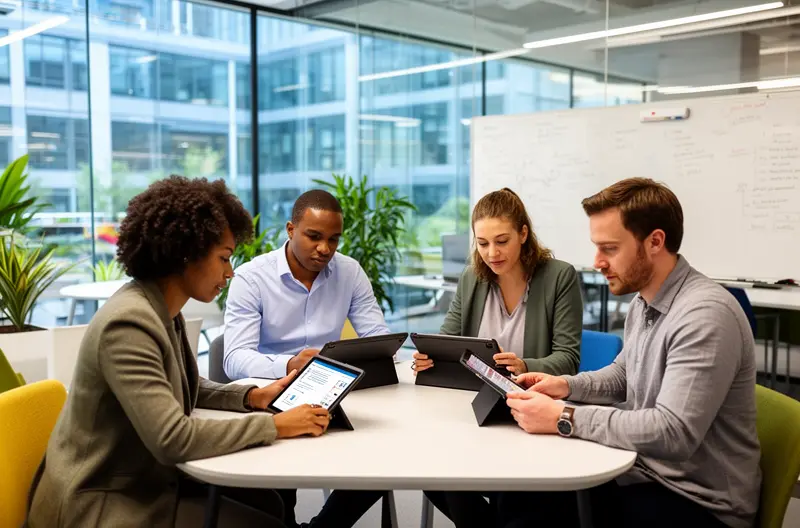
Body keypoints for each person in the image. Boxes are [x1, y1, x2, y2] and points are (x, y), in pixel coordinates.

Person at [25, 176, 331, 528]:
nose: (230, 272)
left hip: (141, 479)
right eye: (223, 258)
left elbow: (189, 386)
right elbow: (172, 439)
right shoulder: (128, 324)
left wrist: (252, 397)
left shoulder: (161, 310)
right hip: (99, 500)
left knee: (268, 502)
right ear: (186, 253)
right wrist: (274, 425)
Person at [315, 188, 584, 528]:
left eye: (502, 241)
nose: (491, 253)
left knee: (453, 475)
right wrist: (429, 357)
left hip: (529, 410)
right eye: (482, 243)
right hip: (472, 407)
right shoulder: (473, 277)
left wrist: (526, 365)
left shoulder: (559, 276)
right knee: (433, 470)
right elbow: (446, 337)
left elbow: (568, 359)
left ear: (524, 234)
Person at [504, 178, 761, 528]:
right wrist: (564, 386)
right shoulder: (644, 301)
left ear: (655, 241)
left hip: (697, 502)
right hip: (644, 472)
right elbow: (624, 375)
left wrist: (565, 417)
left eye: (609, 248)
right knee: (519, 496)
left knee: (533, 517)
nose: (597, 261)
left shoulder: (705, 315)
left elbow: (673, 432)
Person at [223, 188, 390, 381]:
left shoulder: (350, 272)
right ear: (291, 230)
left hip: (330, 384)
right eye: (314, 236)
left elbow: (377, 337)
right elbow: (234, 359)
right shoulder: (251, 278)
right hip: (270, 385)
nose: (324, 249)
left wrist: (405, 355)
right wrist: (289, 365)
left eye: (333, 239)